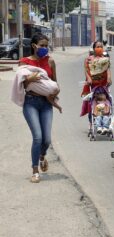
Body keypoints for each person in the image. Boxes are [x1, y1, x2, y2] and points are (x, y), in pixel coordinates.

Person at [17, 33, 58, 183]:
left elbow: (54, 83)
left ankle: (42, 156)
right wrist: (29, 79)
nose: (45, 48)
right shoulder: (24, 62)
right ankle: (35, 170)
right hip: (31, 103)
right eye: (42, 45)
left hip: (46, 104)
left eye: (46, 45)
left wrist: (54, 97)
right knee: (38, 137)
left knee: (46, 140)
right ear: (34, 46)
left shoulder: (51, 61)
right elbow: (21, 84)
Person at [81, 41, 112, 128]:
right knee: (90, 102)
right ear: (94, 48)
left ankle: (105, 121)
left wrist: (109, 78)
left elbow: (108, 70)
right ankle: (91, 122)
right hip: (92, 84)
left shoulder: (105, 59)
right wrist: (89, 78)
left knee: (106, 100)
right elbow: (86, 70)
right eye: (97, 46)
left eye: (101, 46)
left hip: (103, 83)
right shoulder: (88, 59)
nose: (99, 48)